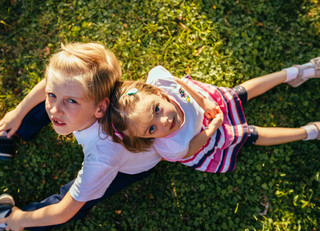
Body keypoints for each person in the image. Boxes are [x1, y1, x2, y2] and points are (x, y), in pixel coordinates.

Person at [0, 42, 161, 231]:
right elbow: (50, 83)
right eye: (52, 95)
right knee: (58, 104)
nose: (55, 109)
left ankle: (9, 216)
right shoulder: (84, 98)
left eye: (71, 100)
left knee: (79, 197)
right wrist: (18, 113)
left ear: (100, 108)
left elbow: (64, 210)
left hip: (130, 167)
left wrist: (21, 220)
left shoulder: (102, 157)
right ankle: (5, 138)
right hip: (91, 121)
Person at [104, 58, 319, 173]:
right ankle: (308, 132)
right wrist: (211, 129)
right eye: (151, 129)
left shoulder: (161, 83)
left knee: (239, 93)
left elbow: (177, 82)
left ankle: (294, 73)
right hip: (209, 136)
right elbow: (190, 149)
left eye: (157, 110)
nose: (164, 121)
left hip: (204, 106)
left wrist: (202, 101)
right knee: (249, 134)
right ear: (146, 138)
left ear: (158, 93)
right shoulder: (170, 146)